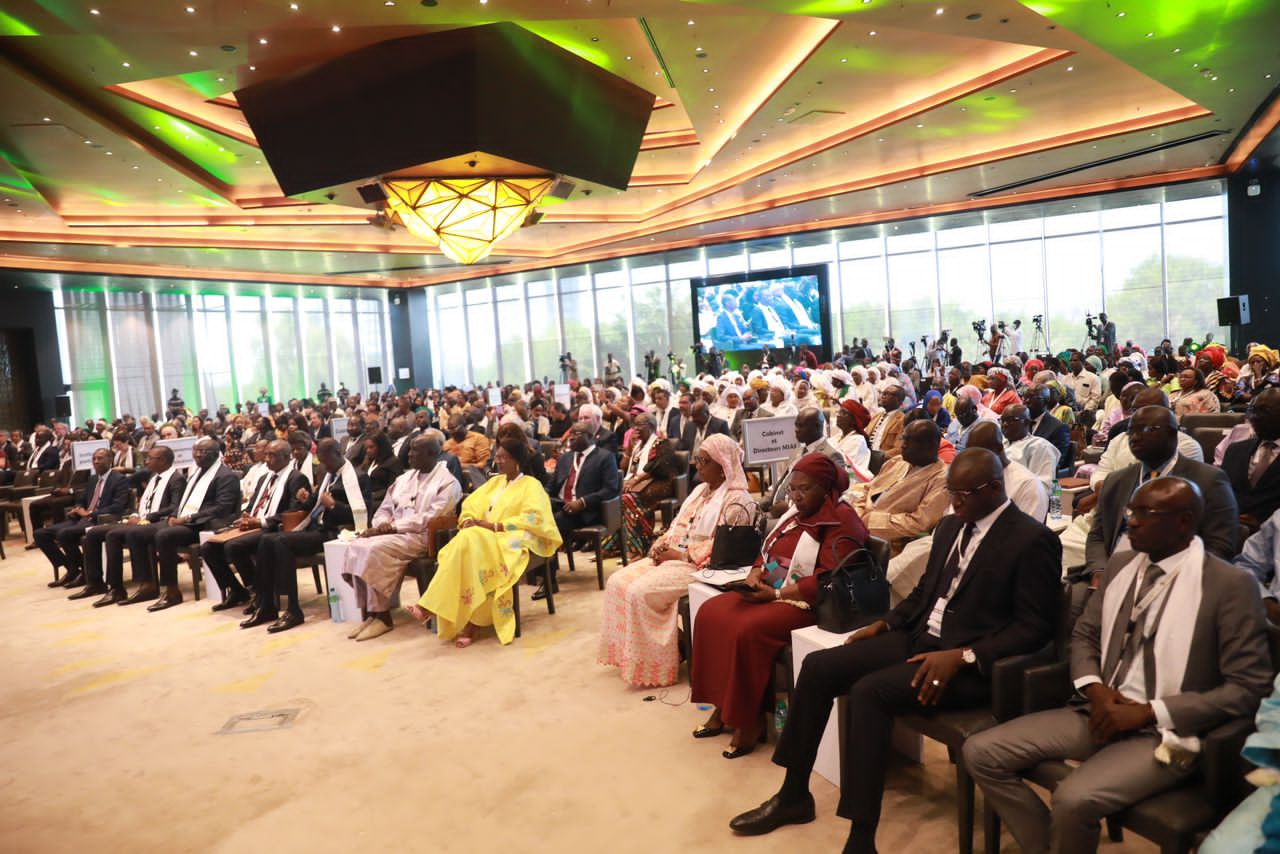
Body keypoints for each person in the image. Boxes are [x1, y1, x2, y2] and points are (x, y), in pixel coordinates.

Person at [729, 448, 1060, 852]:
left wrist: (964, 656)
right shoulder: (952, 526)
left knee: (871, 692)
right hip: (920, 636)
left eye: (964, 494)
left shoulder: (1032, 540)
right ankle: (794, 794)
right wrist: (884, 623)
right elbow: (925, 593)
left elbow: (1035, 627)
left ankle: (861, 835)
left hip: (969, 665)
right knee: (818, 667)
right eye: (951, 492)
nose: (954, 504)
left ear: (994, 488)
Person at [965, 477, 1271, 854]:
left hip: (1166, 731)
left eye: (1146, 513)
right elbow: (1085, 635)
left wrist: (1147, 712)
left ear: (1184, 520)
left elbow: (1247, 688)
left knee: (1074, 799)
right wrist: (1097, 691)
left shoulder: (1229, 585)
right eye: (1131, 511)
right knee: (981, 751)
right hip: (1099, 708)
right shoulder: (1123, 564)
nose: (1131, 522)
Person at [692, 454, 868, 757]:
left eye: (805, 489)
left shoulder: (842, 519)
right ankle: (723, 706)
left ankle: (749, 721)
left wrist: (776, 595)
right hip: (773, 589)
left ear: (825, 489)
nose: (796, 496)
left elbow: (830, 578)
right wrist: (757, 572)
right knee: (710, 613)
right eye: (793, 489)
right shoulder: (795, 513)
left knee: (746, 630)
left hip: (811, 602)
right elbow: (769, 548)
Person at [598, 434, 757, 687]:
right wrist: (661, 544)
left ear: (723, 464)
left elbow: (722, 549)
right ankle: (642, 653)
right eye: (698, 459)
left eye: (704, 461)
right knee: (617, 581)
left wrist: (680, 555)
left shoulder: (738, 501)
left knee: (641, 593)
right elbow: (677, 526)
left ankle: (660, 663)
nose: (698, 465)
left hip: (700, 566)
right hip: (675, 555)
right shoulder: (699, 491)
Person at [406, 436, 562, 647]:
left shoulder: (531, 485)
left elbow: (534, 518)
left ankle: (442, 611)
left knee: (469, 542)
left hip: (511, 538)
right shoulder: (495, 482)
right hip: (482, 537)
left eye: (503, 457)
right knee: (469, 542)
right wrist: (470, 519)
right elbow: (471, 504)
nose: (498, 461)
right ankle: (463, 620)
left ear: (516, 460)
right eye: (496, 457)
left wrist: (494, 526)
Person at [885, 421, 1049, 605]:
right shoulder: (967, 475)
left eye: (978, 450)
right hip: (950, 543)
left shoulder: (1027, 484)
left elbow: (1021, 542)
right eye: (968, 450)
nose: (970, 457)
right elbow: (951, 519)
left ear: (997, 448)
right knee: (897, 576)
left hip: (991, 561)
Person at [1082, 406, 1239, 580]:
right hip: (1115, 572)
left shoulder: (1209, 480)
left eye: (1148, 429)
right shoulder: (1116, 480)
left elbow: (1220, 545)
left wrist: (1177, 578)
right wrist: (1100, 571)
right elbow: (1097, 536)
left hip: (1180, 578)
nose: (1135, 437)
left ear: (1174, 434)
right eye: (1131, 431)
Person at [242, 438, 372, 633]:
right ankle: (266, 604)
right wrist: (305, 498)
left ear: (339, 454)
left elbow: (362, 514)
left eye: (327, 460)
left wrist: (334, 506)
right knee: (266, 540)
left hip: (337, 532)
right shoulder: (327, 474)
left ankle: (293, 610)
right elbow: (314, 503)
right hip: (316, 528)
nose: (325, 465)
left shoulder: (358, 477)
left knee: (282, 543)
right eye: (321, 461)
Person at [342, 434, 462, 641]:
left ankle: (384, 617)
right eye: (411, 449)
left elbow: (431, 517)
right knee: (356, 545)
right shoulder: (404, 478)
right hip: (393, 534)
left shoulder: (448, 483)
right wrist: (380, 525)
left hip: (422, 537)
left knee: (373, 550)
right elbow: (384, 509)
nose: (409, 454)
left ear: (433, 454)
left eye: (416, 451)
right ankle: (372, 613)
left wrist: (392, 527)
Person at [199, 439, 309, 613]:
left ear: (286, 457)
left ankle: (259, 593)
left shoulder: (297, 478)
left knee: (234, 546)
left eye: (271, 455)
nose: (266, 459)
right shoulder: (264, 478)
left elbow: (294, 511)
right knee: (208, 548)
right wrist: (245, 517)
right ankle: (237, 591)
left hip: (273, 527)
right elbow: (253, 505)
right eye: (266, 455)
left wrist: (261, 522)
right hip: (254, 524)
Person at [77, 445, 188, 606]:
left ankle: (145, 585)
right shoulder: (153, 476)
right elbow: (145, 501)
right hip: (140, 519)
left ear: (163, 461)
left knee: (115, 535)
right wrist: (136, 515)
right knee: (94, 533)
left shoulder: (176, 479)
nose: (147, 461)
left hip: (158, 521)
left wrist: (148, 517)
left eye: (150, 458)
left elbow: (174, 507)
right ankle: (98, 584)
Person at [148, 437, 241, 611]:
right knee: (150, 531)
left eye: (202, 451)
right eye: (195, 451)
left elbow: (222, 508)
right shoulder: (195, 474)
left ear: (214, 454)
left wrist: (188, 518)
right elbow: (183, 501)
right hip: (189, 522)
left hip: (207, 525)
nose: (197, 455)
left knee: (164, 535)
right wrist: (175, 515)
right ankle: (150, 585)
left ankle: (172, 591)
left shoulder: (226, 476)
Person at [540, 421, 622, 600]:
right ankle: (538, 570)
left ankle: (548, 581)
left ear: (590, 437)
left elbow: (611, 489)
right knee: (534, 519)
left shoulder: (605, 457)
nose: (571, 437)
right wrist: (542, 496)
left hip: (586, 510)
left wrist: (583, 502)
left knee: (551, 523)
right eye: (571, 433)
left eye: (577, 434)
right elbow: (552, 485)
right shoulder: (566, 458)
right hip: (560, 503)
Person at [845, 419, 950, 556]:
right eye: (903, 439)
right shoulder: (897, 461)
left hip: (888, 544)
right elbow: (868, 489)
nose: (903, 445)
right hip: (858, 524)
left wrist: (869, 521)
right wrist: (858, 513)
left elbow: (918, 522)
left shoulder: (942, 479)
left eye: (909, 441)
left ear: (930, 446)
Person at [37, 448, 131, 591]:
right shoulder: (93, 479)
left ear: (110, 460)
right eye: (94, 459)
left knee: (65, 534)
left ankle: (82, 571)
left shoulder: (119, 479)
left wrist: (90, 513)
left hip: (101, 519)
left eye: (100, 458)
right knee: (40, 534)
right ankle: (73, 568)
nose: (96, 461)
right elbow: (82, 499)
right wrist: (78, 508)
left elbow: (118, 507)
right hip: (81, 518)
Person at [613, 413, 679, 560]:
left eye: (639, 425)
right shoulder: (637, 446)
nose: (635, 429)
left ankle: (640, 546)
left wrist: (634, 480)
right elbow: (623, 467)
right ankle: (618, 546)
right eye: (634, 425)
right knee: (613, 497)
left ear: (650, 426)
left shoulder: (661, 443)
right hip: (638, 483)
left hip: (660, 483)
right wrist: (629, 449)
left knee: (628, 499)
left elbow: (656, 468)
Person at [760, 408, 847, 518]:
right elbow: (782, 484)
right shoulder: (797, 451)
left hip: (801, 516)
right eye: (796, 425)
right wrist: (765, 503)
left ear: (817, 427)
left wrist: (790, 507)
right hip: (777, 510)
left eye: (801, 426)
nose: (796, 430)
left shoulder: (830, 456)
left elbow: (827, 498)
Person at [1221, 387, 1280, 534]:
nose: (1255, 417)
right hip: (1229, 532)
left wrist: (1264, 525)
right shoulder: (1235, 450)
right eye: (1253, 410)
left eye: (1264, 410)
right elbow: (1223, 494)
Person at [999, 404, 1061, 489]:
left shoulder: (1039, 446)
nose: (1004, 424)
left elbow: (1044, 485)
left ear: (1026, 422)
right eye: (1002, 420)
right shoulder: (1000, 443)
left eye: (1011, 420)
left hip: (1022, 495)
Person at [1022, 384, 1072, 476]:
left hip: (1046, 476)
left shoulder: (1058, 428)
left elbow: (1057, 461)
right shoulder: (1021, 423)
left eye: (1033, 398)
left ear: (1046, 401)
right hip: (1021, 471)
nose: (1027, 401)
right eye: (1025, 397)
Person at [678, 400, 730, 466]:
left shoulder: (720, 425)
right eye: (693, 416)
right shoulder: (689, 425)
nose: (694, 419)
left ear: (707, 413)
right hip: (690, 465)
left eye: (697, 416)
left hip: (710, 466)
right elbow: (683, 447)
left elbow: (724, 452)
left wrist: (699, 462)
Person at [833, 399, 873, 483]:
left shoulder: (857, 440)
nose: (838, 415)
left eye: (843, 413)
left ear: (854, 420)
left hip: (850, 481)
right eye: (839, 412)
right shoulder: (838, 436)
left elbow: (845, 468)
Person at [865, 384, 905, 458]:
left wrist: (877, 456)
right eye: (883, 393)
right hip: (866, 455)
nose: (883, 396)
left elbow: (899, 449)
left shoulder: (903, 420)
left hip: (883, 459)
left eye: (888, 394)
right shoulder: (876, 416)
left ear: (899, 400)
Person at [362, 431, 404, 501]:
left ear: (381, 446)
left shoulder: (393, 462)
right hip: (367, 498)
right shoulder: (369, 460)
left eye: (371, 447)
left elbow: (393, 487)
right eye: (366, 448)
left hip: (382, 500)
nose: (368, 451)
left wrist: (372, 496)